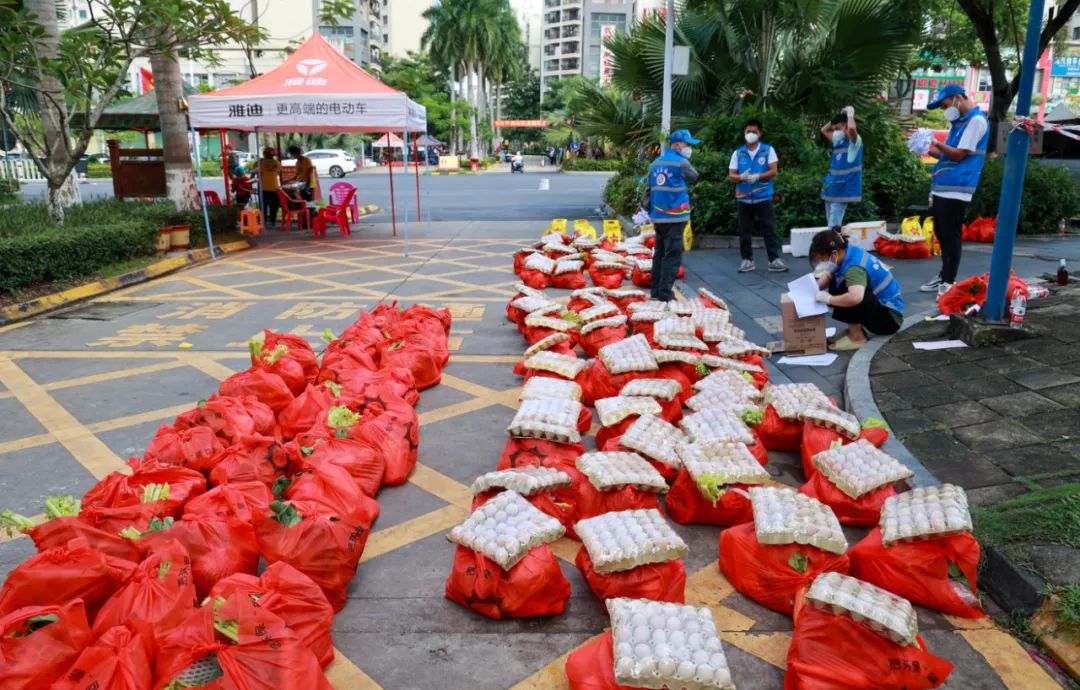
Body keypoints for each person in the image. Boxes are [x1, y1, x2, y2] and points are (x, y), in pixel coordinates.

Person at [921, 84, 989, 295]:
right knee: (942, 232)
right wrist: (925, 148)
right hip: (944, 185)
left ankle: (948, 281)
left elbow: (959, 155)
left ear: (958, 98)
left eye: (945, 104)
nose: (944, 110)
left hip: (958, 186)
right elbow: (947, 156)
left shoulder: (975, 121)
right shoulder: (958, 123)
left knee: (950, 235)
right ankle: (943, 275)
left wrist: (935, 141)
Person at [809, 228, 904, 351]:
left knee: (845, 287)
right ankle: (853, 331)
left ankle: (857, 338)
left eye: (823, 258)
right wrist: (813, 288)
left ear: (834, 253)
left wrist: (828, 299)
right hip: (882, 310)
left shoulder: (854, 268)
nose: (822, 261)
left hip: (889, 320)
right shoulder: (849, 253)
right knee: (838, 281)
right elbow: (830, 274)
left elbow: (855, 298)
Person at [643, 129, 700, 302]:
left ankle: (655, 291)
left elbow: (648, 189)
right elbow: (694, 177)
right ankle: (666, 294)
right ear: (676, 144)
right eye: (687, 144)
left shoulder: (656, 163)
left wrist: (651, 212)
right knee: (672, 255)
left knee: (659, 254)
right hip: (675, 217)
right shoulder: (681, 163)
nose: (689, 147)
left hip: (659, 217)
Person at [728, 119, 787, 273]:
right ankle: (747, 260)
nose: (751, 134)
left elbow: (774, 171)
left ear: (760, 134)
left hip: (763, 196)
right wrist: (741, 177)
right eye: (748, 132)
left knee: (769, 228)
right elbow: (731, 176)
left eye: (754, 132)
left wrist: (759, 176)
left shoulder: (767, 150)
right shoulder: (738, 152)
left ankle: (774, 260)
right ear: (744, 134)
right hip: (743, 197)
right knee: (744, 230)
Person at [820, 106, 863, 228]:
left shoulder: (855, 142)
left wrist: (850, 113)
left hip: (842, 189)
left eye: (838, 129)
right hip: (830, 188)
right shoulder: (838, 143)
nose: (835, 132)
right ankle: (832, 245)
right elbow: (824, 130)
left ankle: (833, 246)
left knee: (833, 226)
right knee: (831, 225)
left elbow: (852, 128)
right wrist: (838, 116)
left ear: (846, 126)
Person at [258, 147, 280, 226]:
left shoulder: (261, 162)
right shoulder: (277, 162)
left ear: (265, 154)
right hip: (274, 187)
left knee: (263, 206)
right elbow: (278, 172)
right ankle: (272, 221)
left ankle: (263, 221)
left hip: (264, 187)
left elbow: (259, 173)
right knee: (274, 206)